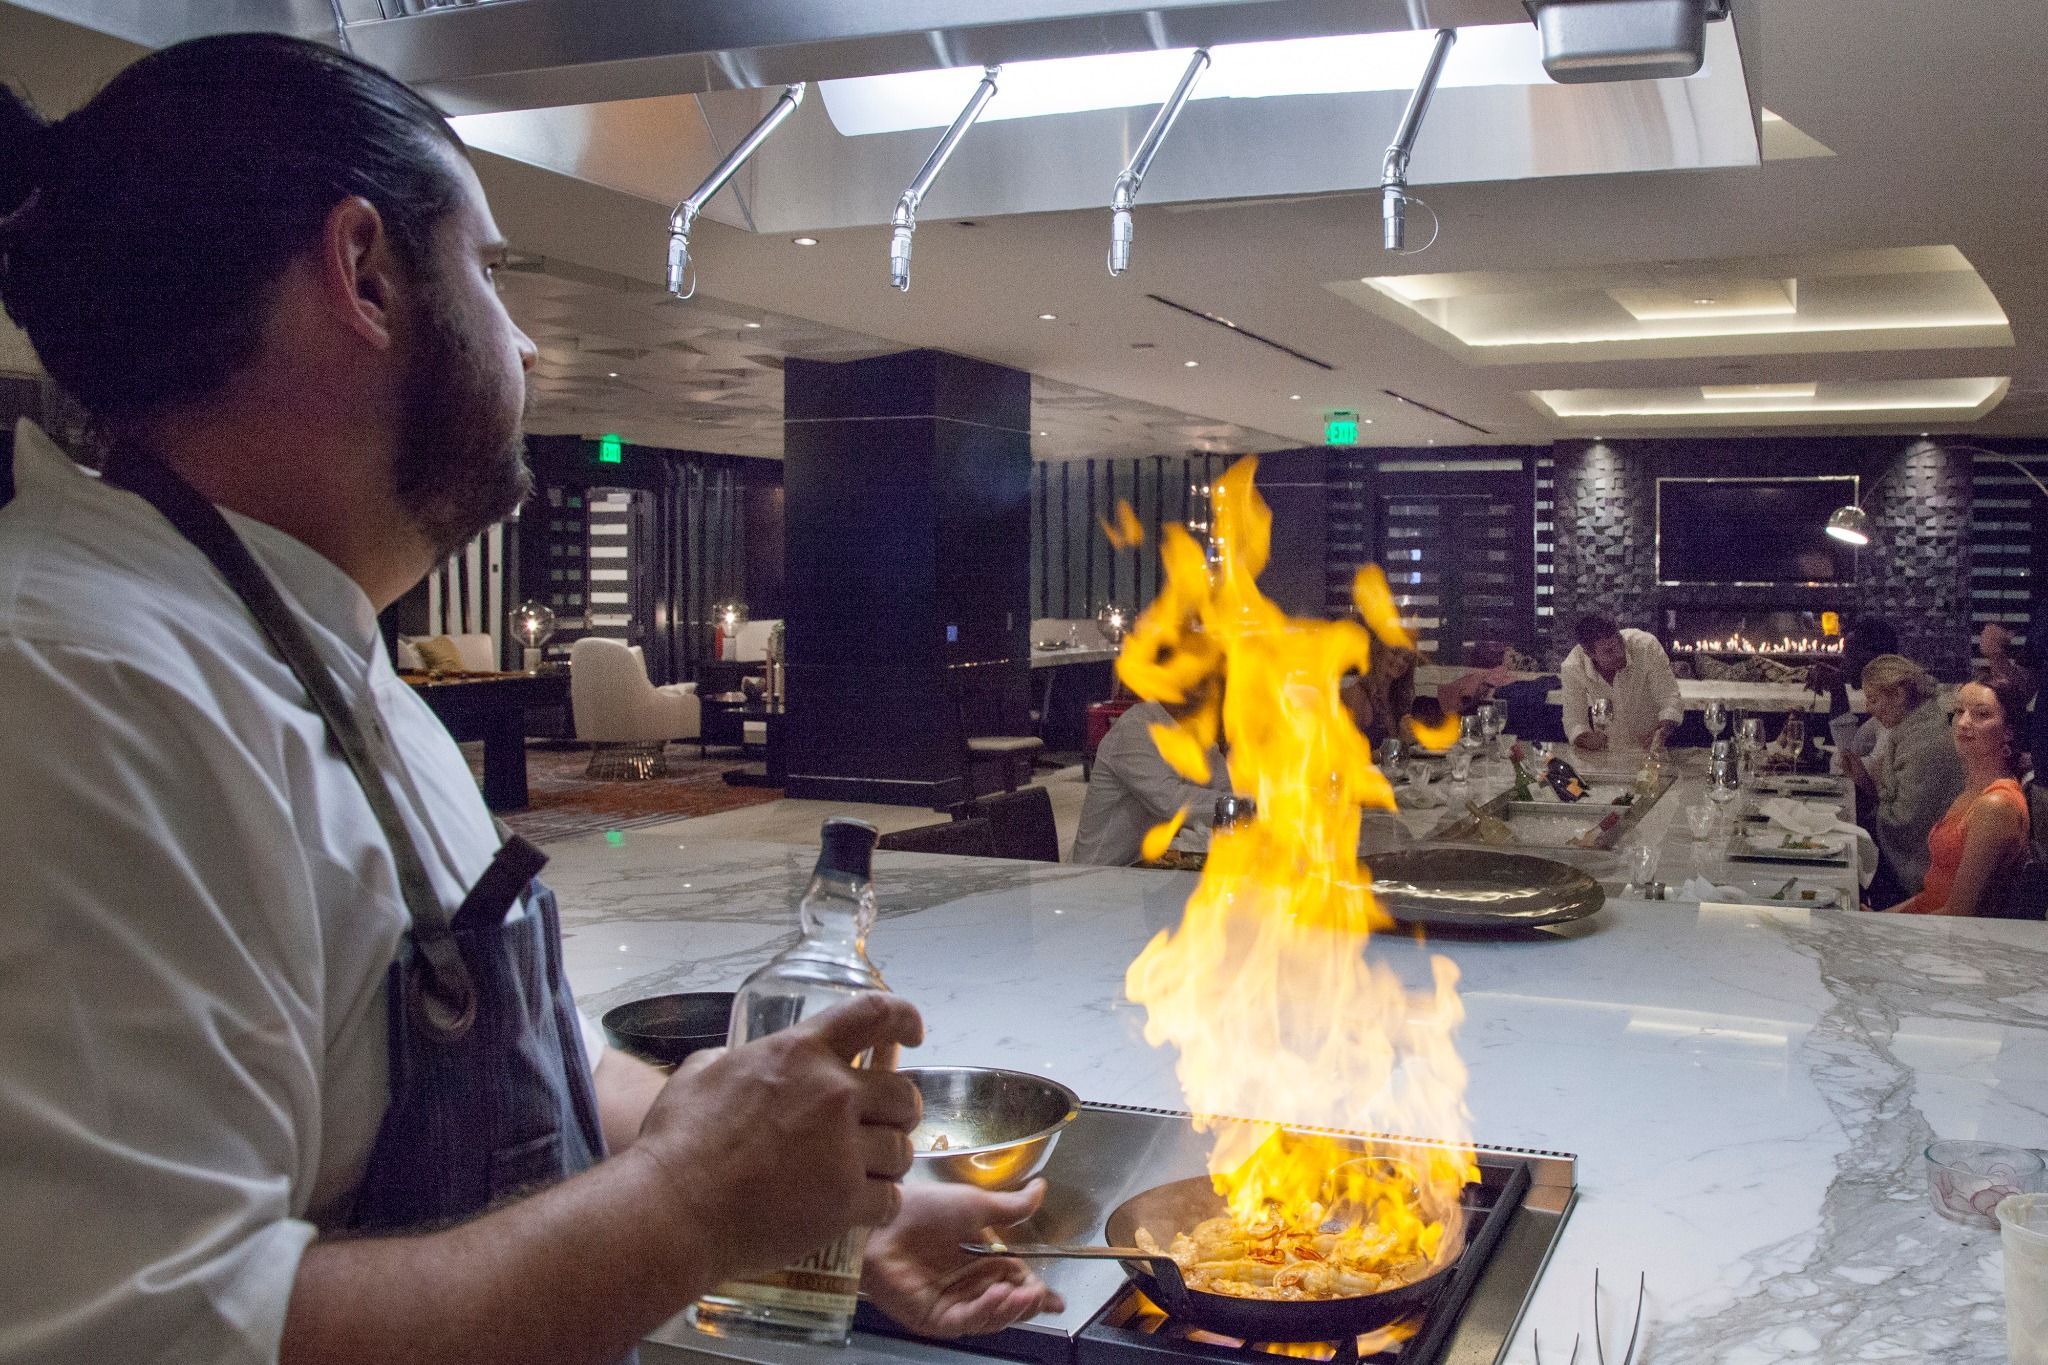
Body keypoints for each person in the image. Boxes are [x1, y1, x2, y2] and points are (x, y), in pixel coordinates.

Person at [0, 37, 1057, 1364]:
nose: (526, 339)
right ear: (364, 273)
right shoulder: (71, 687)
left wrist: (806, 1198)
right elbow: (157, 1334)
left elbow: (525, 1070)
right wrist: (688, 1206)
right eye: (491, 274)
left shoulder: (316, 646)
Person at [1877, 677, 2037, 917]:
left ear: (2008, 731)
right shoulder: (1972, 790)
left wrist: (1882, 927)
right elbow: (1932, 894)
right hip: (1927, 922)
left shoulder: (1996, 805)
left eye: (1981, 714)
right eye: (1959, 711)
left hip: (1949, 934)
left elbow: (1959, 913)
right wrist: (1878, 918)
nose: (1963, 722)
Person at [1850, 655, 1963, 899]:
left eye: (1873, 699)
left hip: (1921, 872)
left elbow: (1905, 823)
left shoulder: (1925, 742)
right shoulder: (1912, 729)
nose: (1868, 708)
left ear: (1899, 695)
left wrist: (1861, 819)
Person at [1072, 695, 1232, 865]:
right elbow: (1170, 802)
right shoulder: (1136, 727)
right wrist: (1243, 804)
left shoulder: (1196, 732)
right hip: (1102, 871)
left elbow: (1227, 789)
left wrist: (1243, 803)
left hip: (1153, 867)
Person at [1557, 615, 1683, 752]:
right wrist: (1585, 739)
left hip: (1651, 750)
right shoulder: (1574, 666)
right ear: (1589, 654)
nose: (1619, 654)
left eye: (1619, 643)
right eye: (1609, 651)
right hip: (1605, 754)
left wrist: (1662, 731)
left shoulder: (1646, 646)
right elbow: (1574, 720)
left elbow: (1669, 698)